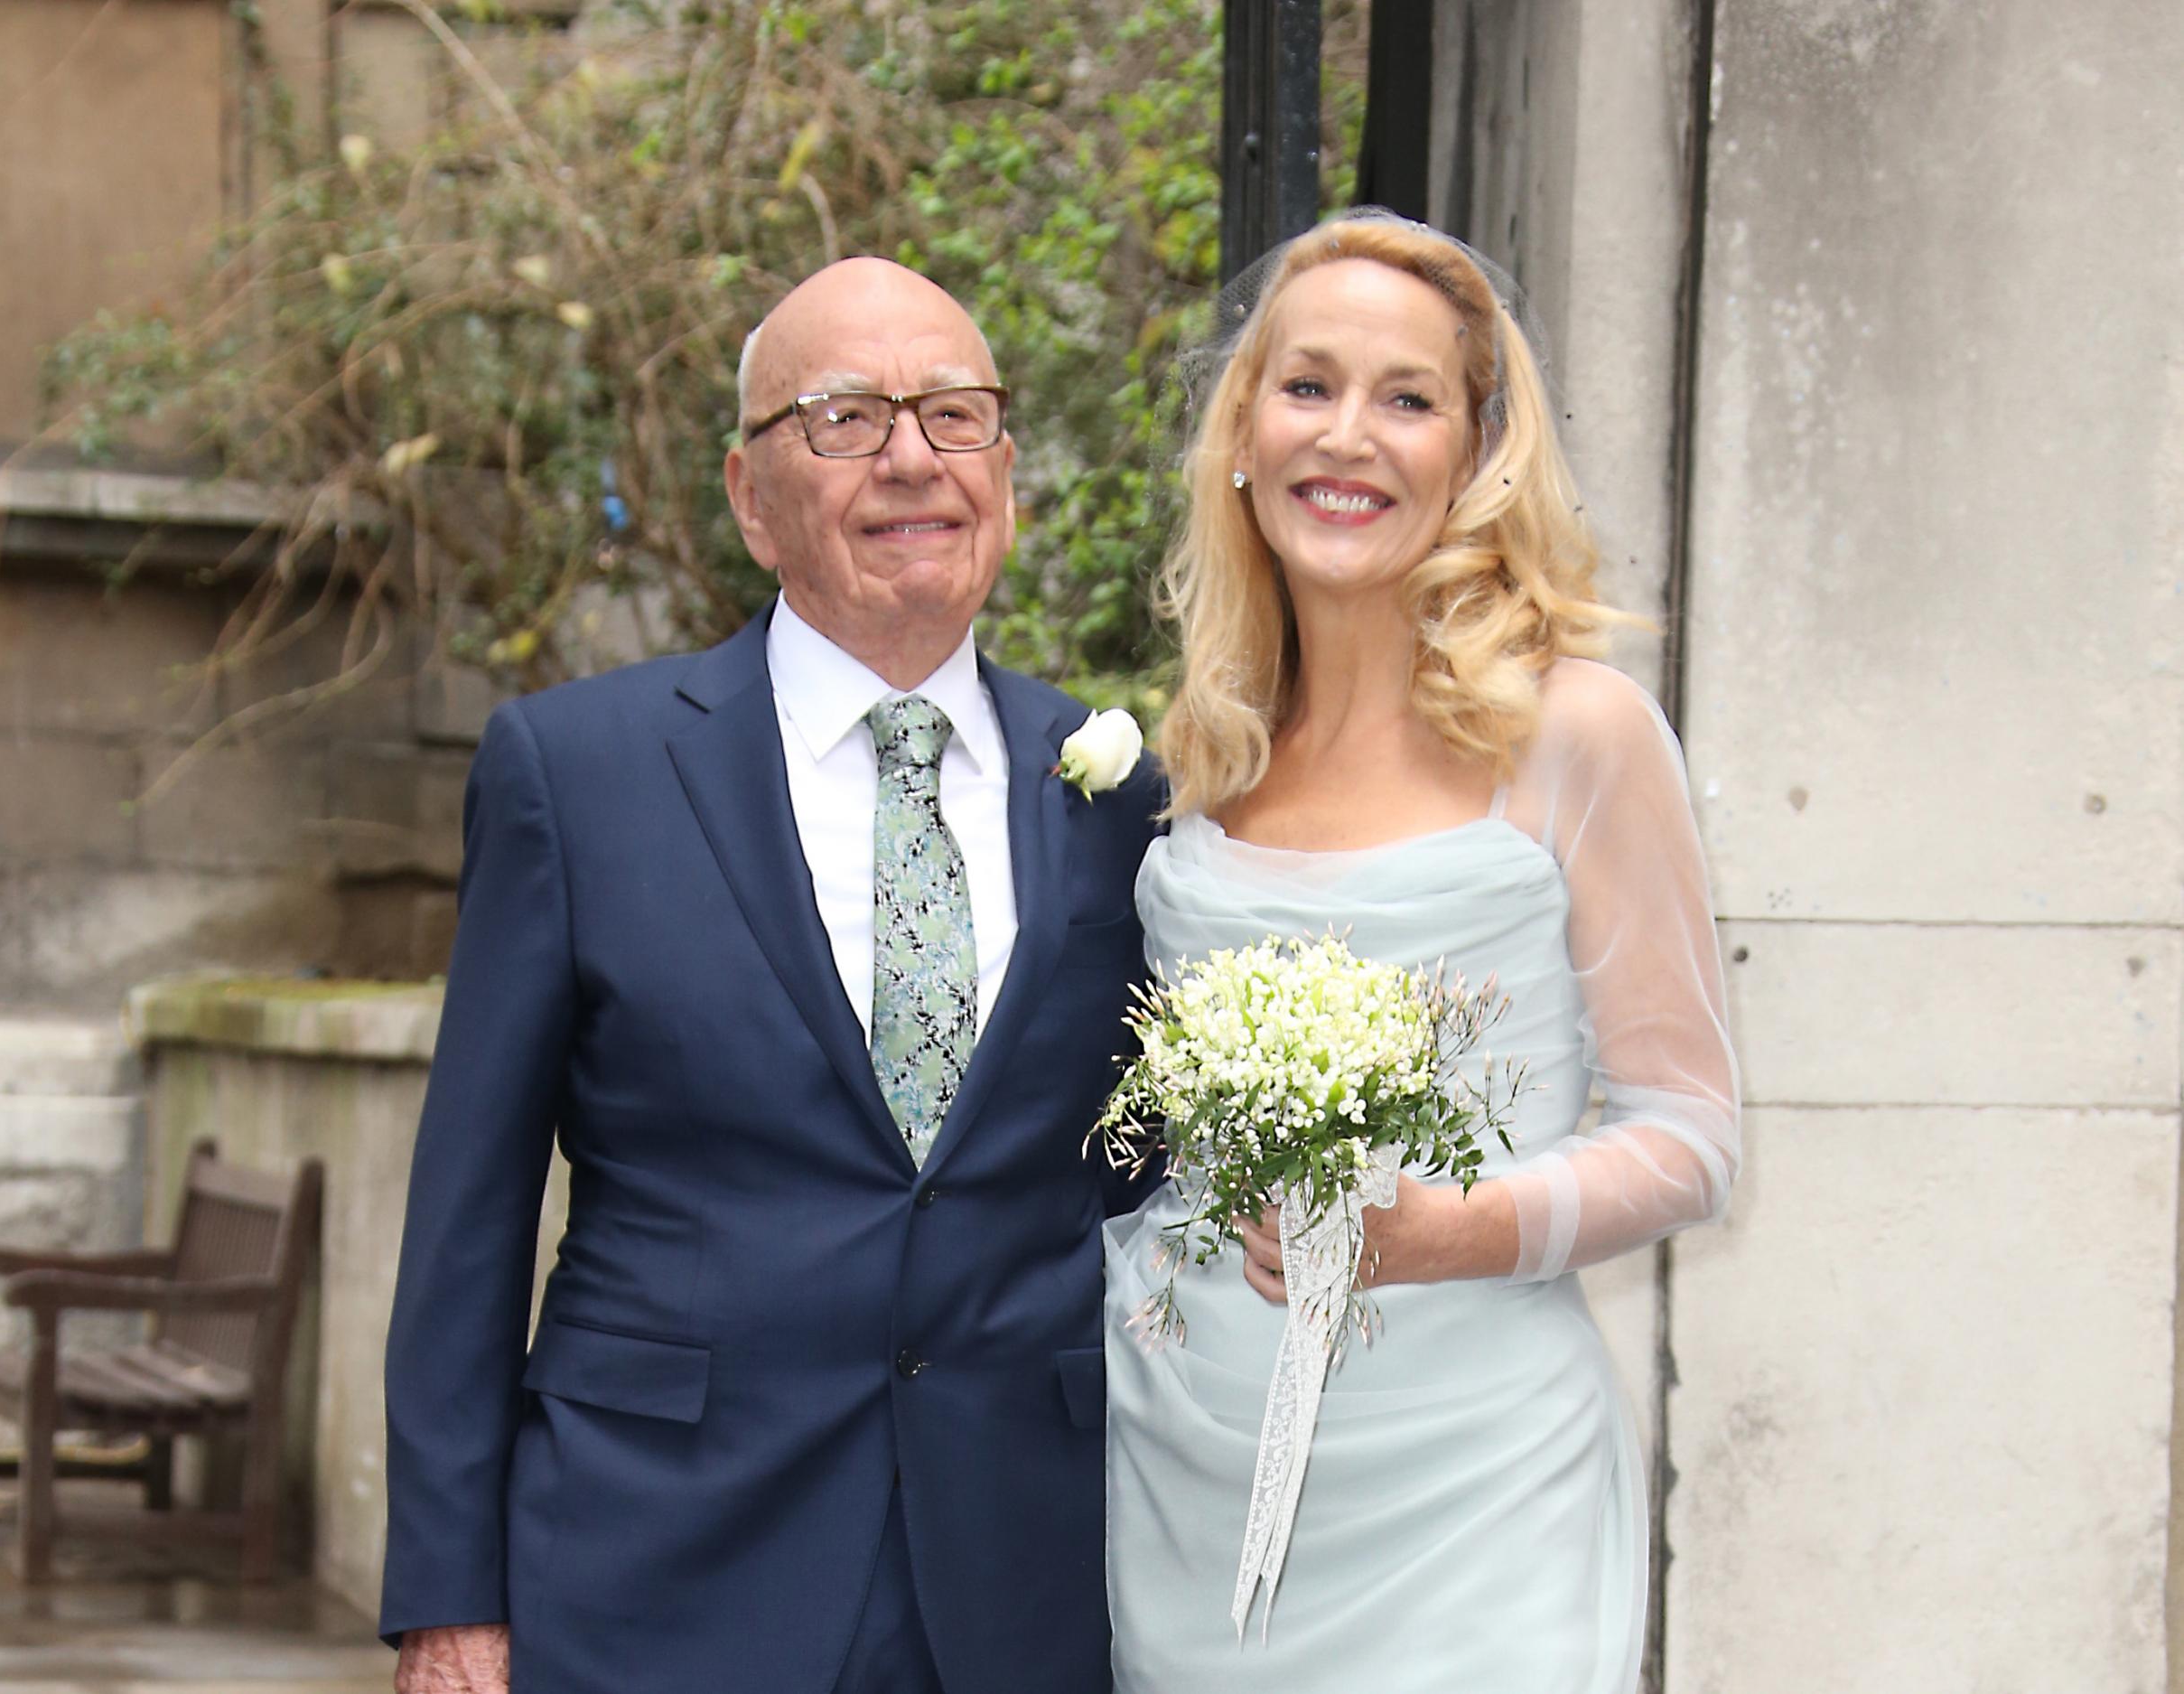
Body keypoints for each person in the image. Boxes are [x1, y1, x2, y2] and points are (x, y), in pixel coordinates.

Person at [380, 257, 1162, 1694]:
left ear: (1008, 471)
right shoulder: (578, 772)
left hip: (1024, 1587)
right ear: (750, 496)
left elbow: (1141, 1189)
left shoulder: (1116, 794)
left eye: (956, 414)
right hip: (656, 1572)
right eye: (847, 418)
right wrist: (449, 1605)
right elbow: (467, 1220)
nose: (913, 459)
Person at [1103, 213, 1742, 1689]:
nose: (1351, 436)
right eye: (1307, 386)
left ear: (1475, 452)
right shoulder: (1205, 753)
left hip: (1473, 1496)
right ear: (1245, 436)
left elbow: (1693, 1135)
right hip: (1187, 1475)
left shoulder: (1575, 734)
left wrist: (1449, 1231)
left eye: (1408, 399)